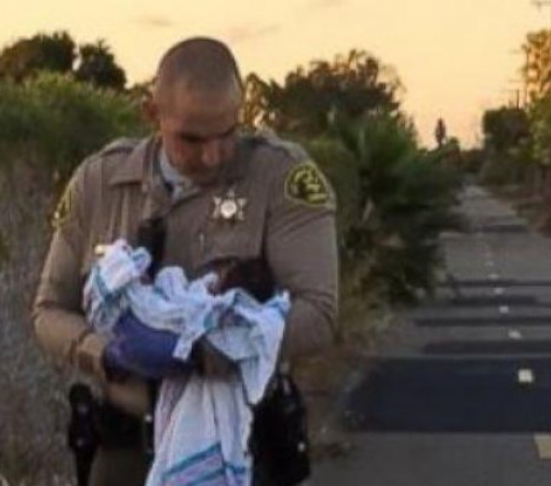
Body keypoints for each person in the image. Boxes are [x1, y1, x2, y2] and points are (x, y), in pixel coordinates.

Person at [32, 37, 338, 486]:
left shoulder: (279, 178)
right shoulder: (99, 182)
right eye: (192, 139)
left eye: (227, 133)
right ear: (152, 114)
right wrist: (106, 353)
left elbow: (319, 312)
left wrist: (204, 352)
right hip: (126, 448)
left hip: (239, 447)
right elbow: (48, 311)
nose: (213, 155)